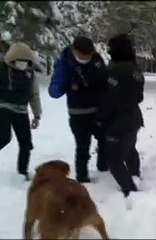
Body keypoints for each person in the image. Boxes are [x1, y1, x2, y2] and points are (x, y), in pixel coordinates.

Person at [48, 36, 108, 183]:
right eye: (82, 55)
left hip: (98, 111)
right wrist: (62, 84)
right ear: (74, 50)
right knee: (82, 145)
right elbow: (54, 91)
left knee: (104, 140)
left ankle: (103, 166)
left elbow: (106, 80)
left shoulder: (97, 60)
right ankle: (82, 176)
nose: (86, 57)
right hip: (78, 112)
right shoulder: (65, 63)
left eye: (88, 54)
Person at [96, 33, 144, 200]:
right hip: (135, 118)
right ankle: (135, 174)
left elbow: (108, 98)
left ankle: (129, 189)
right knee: (130, 148)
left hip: (117, 121)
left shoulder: (112, 70)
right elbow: (139, 96)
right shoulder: (135, 68)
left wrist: (101, 117)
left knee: (113, 159)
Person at [0, 42, 42, 180]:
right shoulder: (2, 69)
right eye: (19, 61)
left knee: (26, 144)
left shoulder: (30, 74)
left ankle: (22, 172)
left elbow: (34, 95)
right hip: (3, 108)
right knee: (3, 137)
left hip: (21, 110)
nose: (22, 64)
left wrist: (37, 115)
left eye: (25, 62)